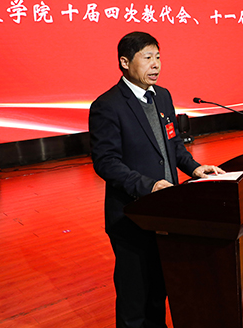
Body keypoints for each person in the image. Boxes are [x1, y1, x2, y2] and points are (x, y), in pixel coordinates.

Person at [89, 31, 224, 328]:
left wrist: (195, 168)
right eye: (147, 57)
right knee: (134, 296)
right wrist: (148, 185)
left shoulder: (162, 96)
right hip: (131, 215)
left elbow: (172, 144)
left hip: (166, 210)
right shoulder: (107, 105)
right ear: (125, 62)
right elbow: (106, 162)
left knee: (159, 290)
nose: (156, 64)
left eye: (158, 57)